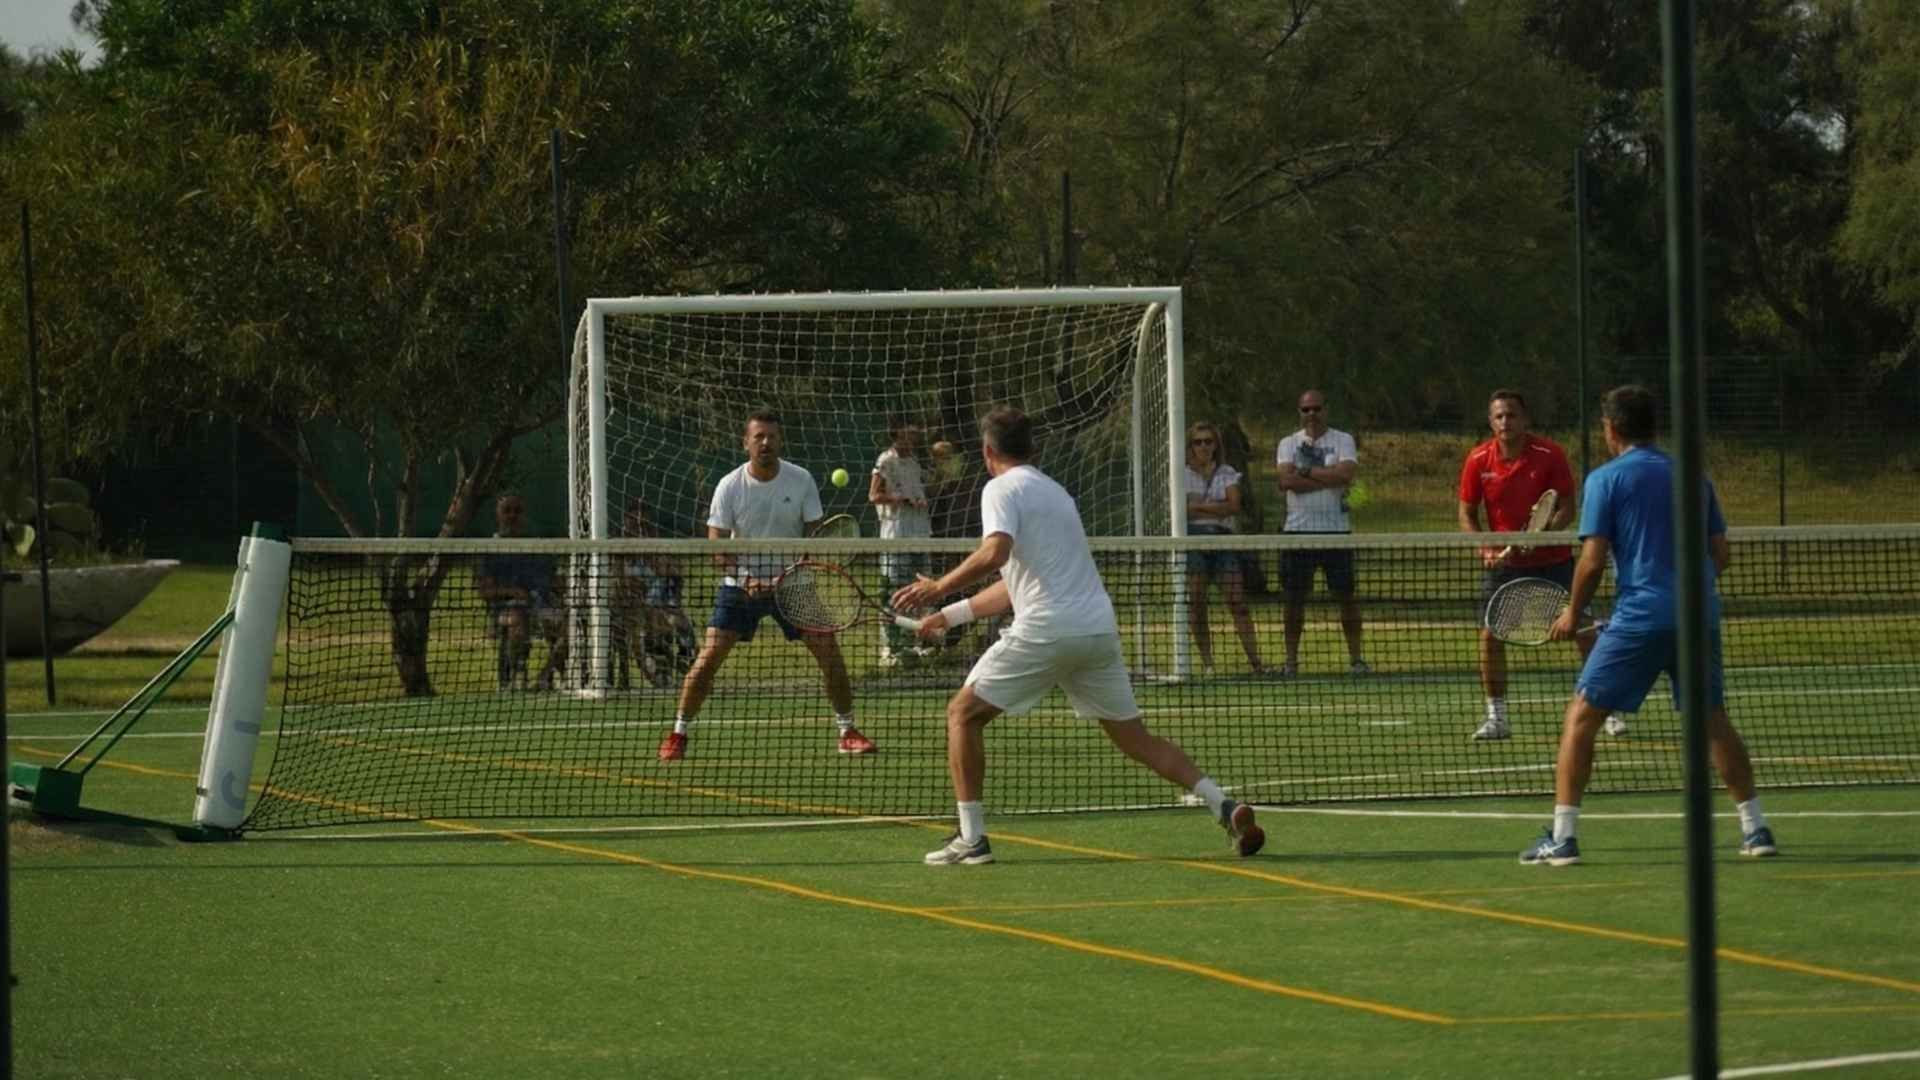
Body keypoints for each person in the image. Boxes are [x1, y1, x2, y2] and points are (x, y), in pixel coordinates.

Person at [892, 405, 1264, 866]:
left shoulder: (999, 488)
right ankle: (1222, 803)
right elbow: (1014, 584)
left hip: (1049, 628)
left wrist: (938, 587)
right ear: (1032, 448)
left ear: (988, 452)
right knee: (1136, 739)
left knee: (962, 714)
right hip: (1096, 630)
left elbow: (995, 553)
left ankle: (972, 839)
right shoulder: (1057, 493)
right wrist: (948, 616)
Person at [1520, 384, 1776, 865]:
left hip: (1640, 617)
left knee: (1581, 718)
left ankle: (1563, 839)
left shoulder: (1605, 479)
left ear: (1611, 428)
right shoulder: (1694, 476)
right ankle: (1756, 829)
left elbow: (1592, 559)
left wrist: (1573, 613)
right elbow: (1720, 554)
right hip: (1699, 614)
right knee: (1711, 718)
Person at [658, 410, 875, 761]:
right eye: (758, 436)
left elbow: (816, 538)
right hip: (740, 587)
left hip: (795, 584)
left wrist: (786, 575)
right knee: (708, 659)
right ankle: (678, 733)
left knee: (830, 654)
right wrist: (747, 579)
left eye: (772, 436)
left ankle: (847, 731)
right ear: (746, 442)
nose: (765, 442)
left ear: (780, 441)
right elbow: (716, 546)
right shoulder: (730, 485)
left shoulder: (800, 479)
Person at [1457, 389, 1623, 740]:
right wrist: (1485, 548)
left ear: (1525, 419)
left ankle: (1606, 708)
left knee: (1584, 631)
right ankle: (1497, 718)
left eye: (1512, 415)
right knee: (1489, 635)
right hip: (1504, 566)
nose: (1506, 421)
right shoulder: (1478, 459)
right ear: (1491, 422)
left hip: (1554, 560)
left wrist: (1543, 534)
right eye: (1499, 416)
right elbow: (1467, 513)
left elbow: (1566, 508)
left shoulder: (1550, 454)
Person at [1273, 389, 1368, 676]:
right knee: (1293, 600)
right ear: (1299, 412)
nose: (1311, 414)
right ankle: (1291, 662)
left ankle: (1356, 660)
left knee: (1346, 597)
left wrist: (1304, 472)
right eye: (1306, 409)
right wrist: (1327, 478)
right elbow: (1285, 481)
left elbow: (1346, 475)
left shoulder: (1343, 440)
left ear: (1326, 409)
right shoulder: (1288, 443)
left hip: (1336, 533)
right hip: (1297, 533)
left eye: (1316, 408)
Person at [1184, 421, 1265, 675]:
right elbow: (1182, 511)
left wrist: (1198, 506)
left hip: (1223, 540)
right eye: (1198, 442)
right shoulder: (1181, 474)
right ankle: (1208, 664)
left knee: (1237, 602)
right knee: (1197, 603)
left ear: (1216, 445)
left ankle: (1257, 664)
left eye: (1208, 441)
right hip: (1194, 541)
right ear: (1191, 446)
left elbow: (1233, 506)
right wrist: (1215, 507)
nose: (1203, 446)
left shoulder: (1227, 472)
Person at [473, 493, 567, 691]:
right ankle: (511, 680)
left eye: (517, 511)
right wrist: (514, 592)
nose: (512, 515)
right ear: (498, 514)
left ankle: (545, 678)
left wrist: (562, 586)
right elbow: (485, 590)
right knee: (518, 620)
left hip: (540, 606)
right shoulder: (489, 549)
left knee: (569, 627)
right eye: (507, 510)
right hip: (505, 609)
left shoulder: (536, 546)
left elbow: (554, 580)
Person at [869, 415, 933, 667]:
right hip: (896, 536)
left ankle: (918, 643)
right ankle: (890, 649)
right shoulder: (886, 460)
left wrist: (919, 500)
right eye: (908, 434)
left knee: (921, 590)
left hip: (920, 534)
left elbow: (918, 490)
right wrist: (900, 499)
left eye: (915, 434)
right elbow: (874, 495)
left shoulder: (915, 462)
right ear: (896, 434)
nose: (912, 438)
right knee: (894, 591)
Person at [611, 500, 696, 690]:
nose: (640, 527)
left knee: (682, 626)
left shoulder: (658, 553)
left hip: (660, 608)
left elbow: (674, 583)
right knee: (648, 633)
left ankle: (688, 670)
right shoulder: (619, 556)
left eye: (644, 523)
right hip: (631, 611)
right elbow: (621, 588)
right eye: (635, 522)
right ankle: (660, 674)